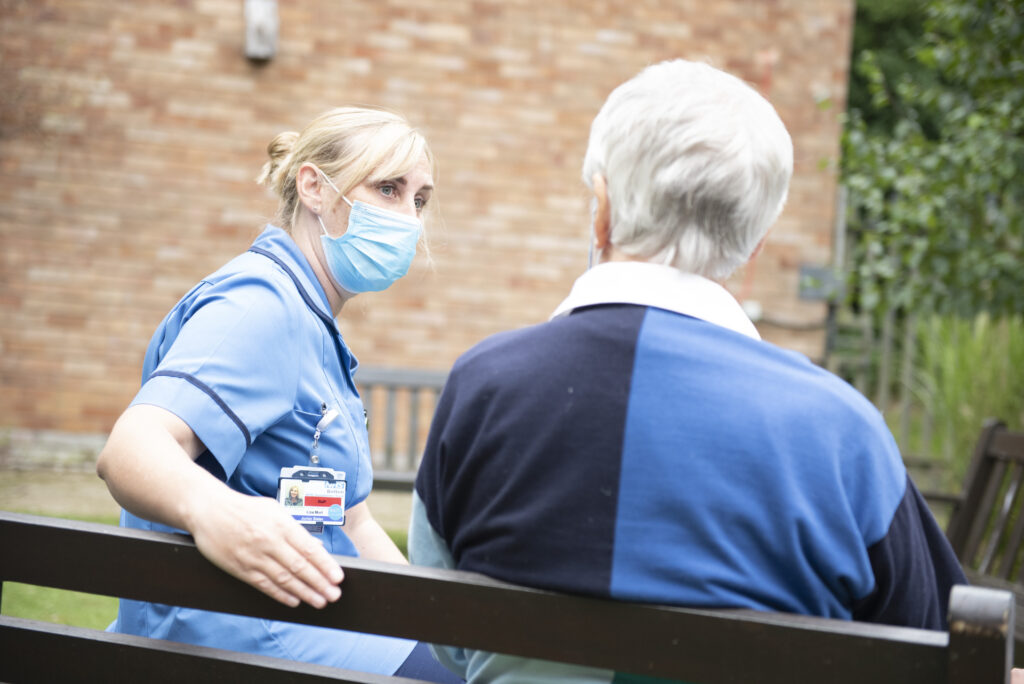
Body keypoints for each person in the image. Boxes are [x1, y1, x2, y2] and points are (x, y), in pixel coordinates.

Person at [408, 59, 968, 682]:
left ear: (601, 209)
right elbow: (934, 654)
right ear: (753, 247)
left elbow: (444, 632)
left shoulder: (483, 386)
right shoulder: (841, 431)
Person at [97, 106, 460, 682]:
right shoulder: (259, 305)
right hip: (238, 633)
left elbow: (354, 519)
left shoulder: (312, 321)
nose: (408, 219)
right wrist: (215, 512)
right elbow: (131, 449)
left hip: (308, 616)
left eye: (419, 199)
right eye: (388, 189)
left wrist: (434, 622)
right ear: (314, 187)